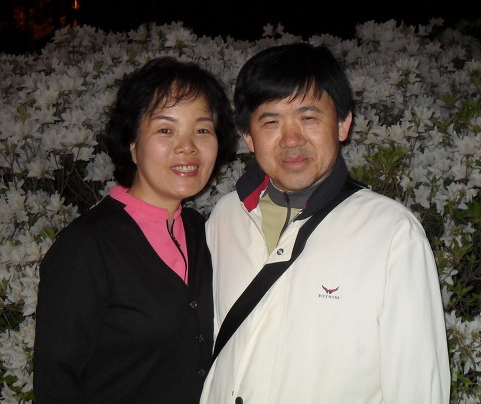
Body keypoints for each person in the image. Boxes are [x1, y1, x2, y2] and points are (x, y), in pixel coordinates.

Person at [201, 43, 450, 403]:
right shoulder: (226, 217)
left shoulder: (391, 233)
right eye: (271, 122)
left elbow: (418, 387)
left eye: (309, 118)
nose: (291, 139)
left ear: (343, 124)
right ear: (249, 137)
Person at [33, 57, 235, 403]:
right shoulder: (88, 246)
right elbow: (56, 381)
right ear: (132, 145)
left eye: (202, 130)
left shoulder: (202, 231)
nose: (187, 146)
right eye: (165, 130)